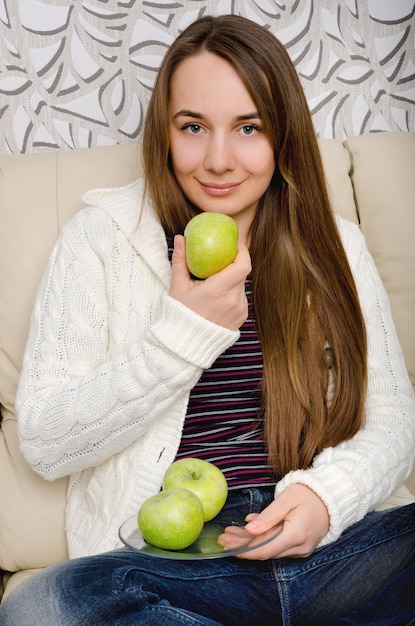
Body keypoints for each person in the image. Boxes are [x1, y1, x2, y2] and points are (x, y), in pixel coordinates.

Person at [1, 14, 414, 626]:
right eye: (193, 127)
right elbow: (44, 439)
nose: (218, 160)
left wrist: (324, 500)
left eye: (248, 128)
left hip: (325, 551)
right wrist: (179, 338)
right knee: (39, 608)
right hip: (181, 566)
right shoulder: (101, 238)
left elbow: (392, 419)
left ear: (283, 136)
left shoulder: (336, 246)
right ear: (164, 134)